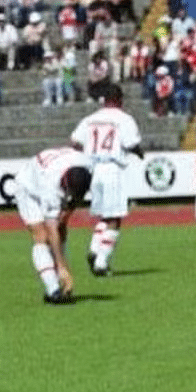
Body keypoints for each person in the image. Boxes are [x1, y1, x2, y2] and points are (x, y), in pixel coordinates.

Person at [70, 82, 145, 277]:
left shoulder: (90, 119)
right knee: (115, 217)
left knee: (104, 215)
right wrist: (138, 152)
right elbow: (131, 143)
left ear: (104, 100)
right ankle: (101, 261)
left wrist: (89, 152)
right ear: (120, 100)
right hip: (112, 168)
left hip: (93, 169)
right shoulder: (124, 119)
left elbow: (75, 141)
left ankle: (95, 248)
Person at [13, 146, 92, 305]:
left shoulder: (87, 165)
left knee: (62, 228)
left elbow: (62, 222)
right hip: (28, 188)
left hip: (53, 171)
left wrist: (67, 214)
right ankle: (53, 289)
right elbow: (51, 228)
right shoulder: (50, 185)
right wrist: (62, 267)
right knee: (41, 235)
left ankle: (60, 282)